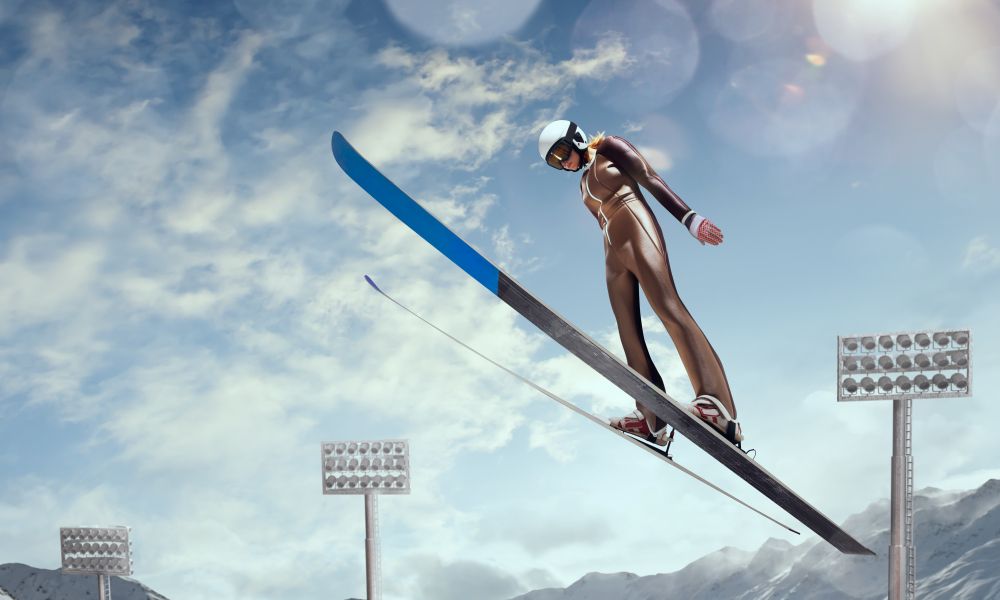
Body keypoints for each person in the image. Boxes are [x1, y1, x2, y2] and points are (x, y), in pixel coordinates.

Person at [537, 119, 743, 447]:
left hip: (635, 225)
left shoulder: (609, 147)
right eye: (554, 161)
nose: (563, 162)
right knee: (627, 330)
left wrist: (689, 218)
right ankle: (652, 417)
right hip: (612, 247)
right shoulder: (582, 186)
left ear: (575, 138)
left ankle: (718, 406)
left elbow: (649, 177)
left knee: (667, 306)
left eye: (562, 152)